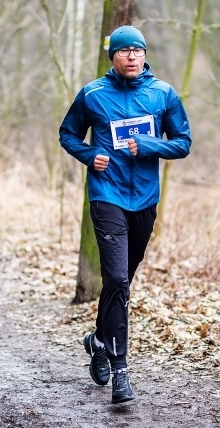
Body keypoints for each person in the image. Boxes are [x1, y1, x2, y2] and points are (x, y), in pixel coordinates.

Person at [59, 25, 192, 404]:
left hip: (145, 198)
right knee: (115, 277)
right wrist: (89, 156)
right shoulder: (93, 94)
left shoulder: (163, 94)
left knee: (122, 281)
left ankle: (99, 339)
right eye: (124, 50)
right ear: (112, 56)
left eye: (138, 50)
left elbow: (183, 143)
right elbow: (68, 134)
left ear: (144, 55)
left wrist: (148, 145)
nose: (132, 56)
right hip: (107, 194)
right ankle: (121, 371)